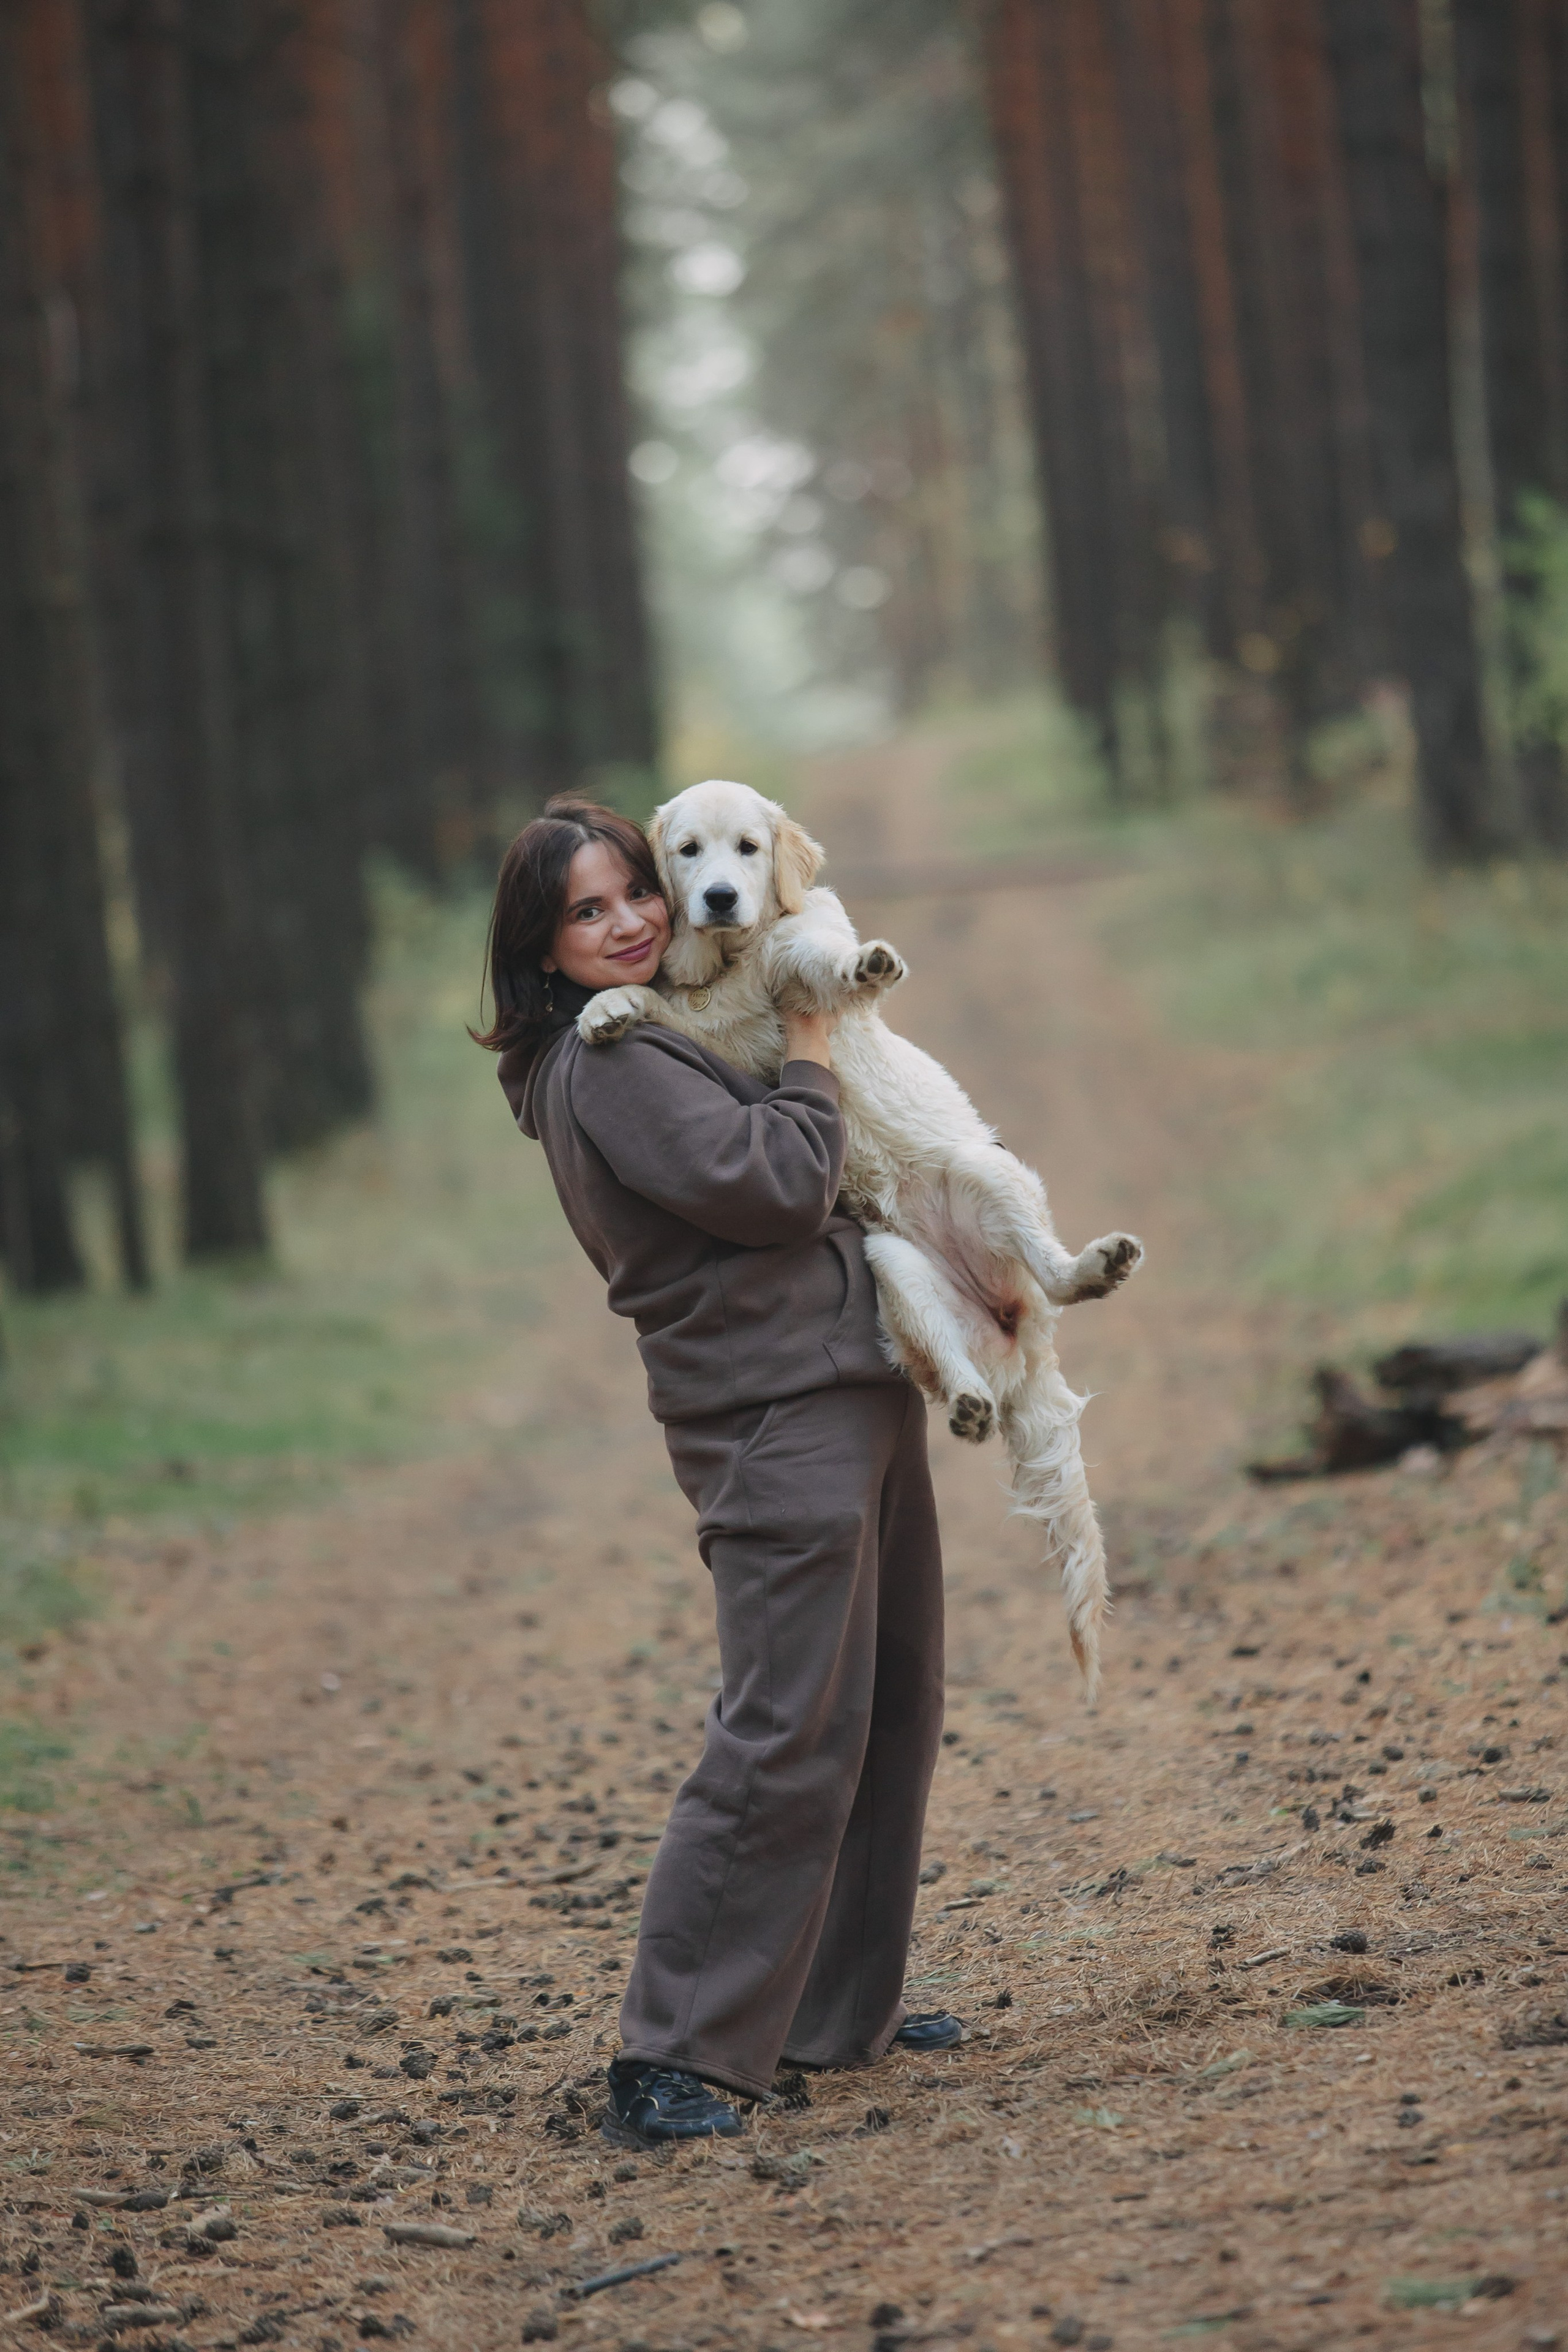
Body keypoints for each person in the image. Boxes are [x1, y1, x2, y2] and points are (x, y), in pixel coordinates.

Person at [475, 795, 957, 2147]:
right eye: (587, 910)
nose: (628, 919)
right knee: (785, 1726)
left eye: (635, 890)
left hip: (842, 1385)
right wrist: (810, 1043)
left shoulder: (662, 1032)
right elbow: (776, 1189)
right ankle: (674, 2049)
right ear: (543, 947)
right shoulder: (612, 1064)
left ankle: (824, 2010)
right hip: (771, 1415)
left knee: (884, 1705)